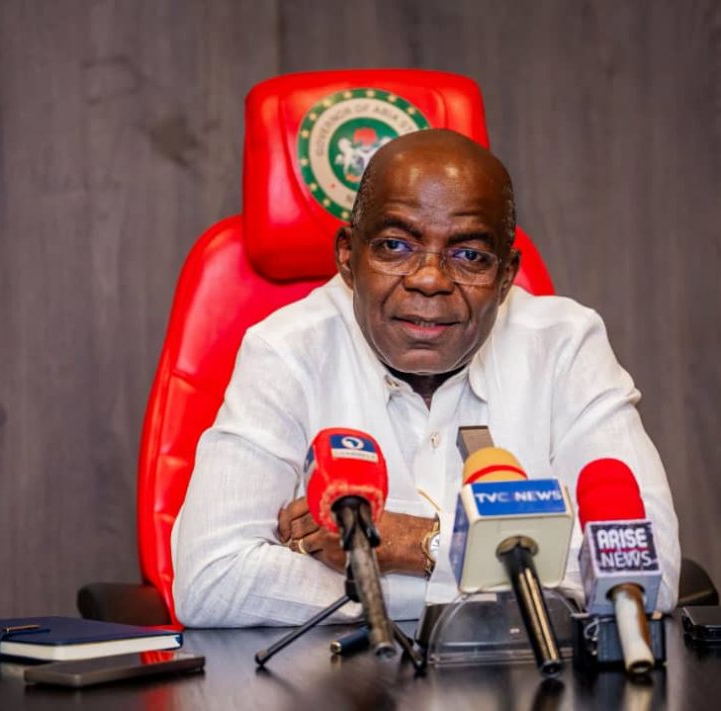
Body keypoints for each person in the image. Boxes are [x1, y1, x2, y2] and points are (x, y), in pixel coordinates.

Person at [171, 129, 680, 626]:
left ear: (506, 275)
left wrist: (415, 545)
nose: (430, 279)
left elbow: (644, 569)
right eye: (395, 246)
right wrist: (500, 575)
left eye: (469, 256)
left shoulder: (565, 346)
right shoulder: (286, 351)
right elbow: (212, 578)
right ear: (348, 255)